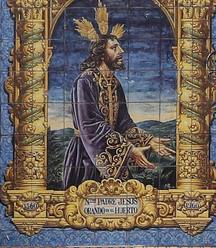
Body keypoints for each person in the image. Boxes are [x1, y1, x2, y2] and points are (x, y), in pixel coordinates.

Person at [61, 1, 171, 189]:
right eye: (114, 48)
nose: (121, 51)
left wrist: (148, 140)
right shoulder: (85, 81)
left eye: (119, 47)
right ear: (101, 53)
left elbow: (124, 123)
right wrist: (128, 150)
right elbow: (91, 126)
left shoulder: (114, 84)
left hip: (111, 154)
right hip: (87, 156)